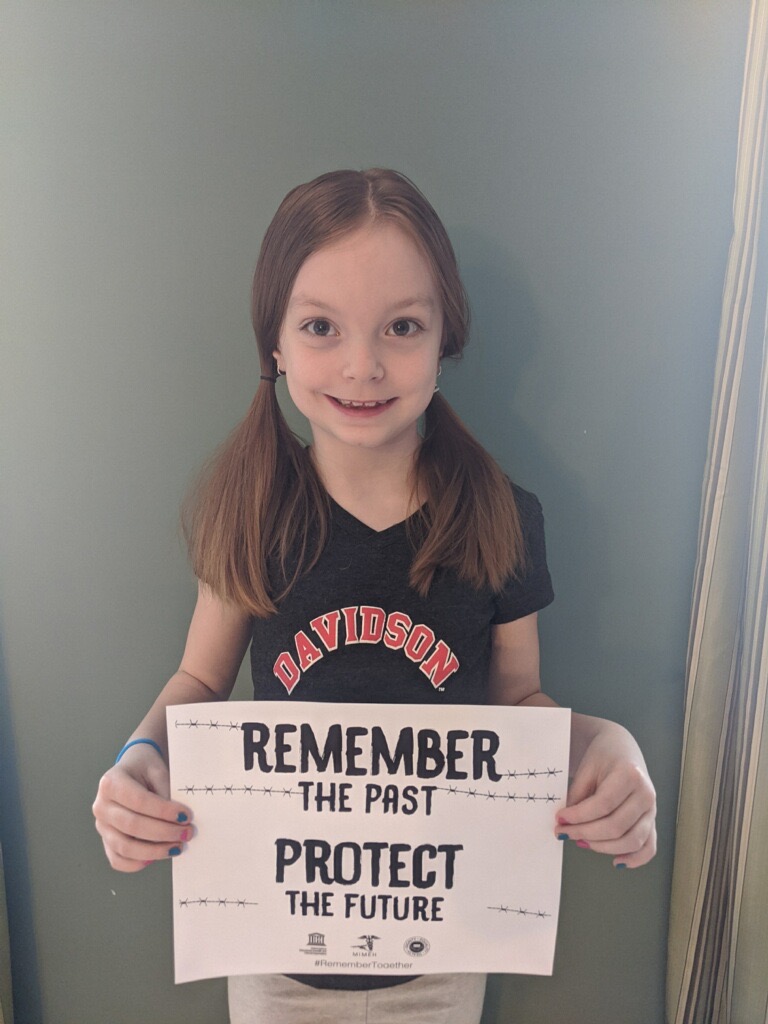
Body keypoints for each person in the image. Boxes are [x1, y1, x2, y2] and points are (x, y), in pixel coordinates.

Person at [92, 168, 656, 1024]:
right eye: (321, 327)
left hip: (443, 949)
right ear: (275, 343)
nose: (362, 364)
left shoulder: (500, 516)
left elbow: (517, 700)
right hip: (274, 949)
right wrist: (137, 759)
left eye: (402, 326)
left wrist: (607, 745)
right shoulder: (252, 510)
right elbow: (199, 684)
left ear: (443, 340)